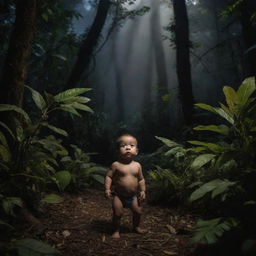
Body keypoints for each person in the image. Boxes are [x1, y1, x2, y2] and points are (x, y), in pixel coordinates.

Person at [104, 134, 146, 238]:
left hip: (133, 197)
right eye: (123, 146)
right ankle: (116, 230)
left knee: (138, 212)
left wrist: (143, 190)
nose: (127, 147)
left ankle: (136, 227)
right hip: (119, 196)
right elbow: (109, 176)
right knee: (118, 214)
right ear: (118, 151)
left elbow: (141, 179)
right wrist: (107, 188)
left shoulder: (137, 166)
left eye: (131, 145)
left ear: (136, 151)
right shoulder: (116, 165)